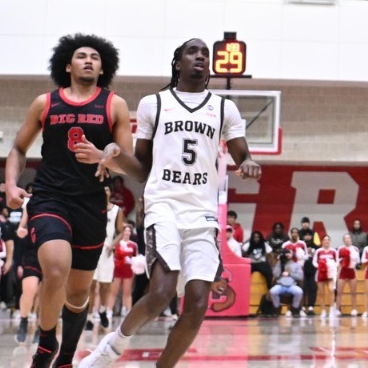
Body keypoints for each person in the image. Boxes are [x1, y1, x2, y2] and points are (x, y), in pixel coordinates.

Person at [81, 39, 262, 368]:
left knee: (197, 304)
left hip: (203, 213)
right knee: (161, 292)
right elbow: (142, 167)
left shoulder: (224, 108)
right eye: (193, 52)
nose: (200, 57)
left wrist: (248, 162)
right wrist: (116, 156)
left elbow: (241, 152)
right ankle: (113, 346)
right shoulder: (155, 103)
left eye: (205, 54)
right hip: (163, 204)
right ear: (177, 63)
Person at [7, 34, 131, 368]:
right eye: (81, 56)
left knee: (79, 293)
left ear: (103, 67)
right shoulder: (45, 103)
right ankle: (47, 342)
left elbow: (128, 162)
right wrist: (10, 183)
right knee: (56, 268)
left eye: (94, 57)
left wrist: (103, 157)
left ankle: (65, 357)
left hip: (91, 205)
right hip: (50, 197)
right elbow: (19, 148)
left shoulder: (114, 104)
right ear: (67, 64)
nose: (88, 60)